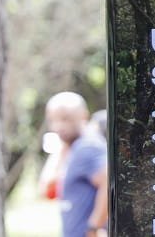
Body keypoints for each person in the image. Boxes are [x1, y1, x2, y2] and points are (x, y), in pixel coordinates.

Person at [38, 92, 108, 237]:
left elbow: (108, 183)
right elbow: (46, 190)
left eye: (65, 119)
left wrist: (94, 227)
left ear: (83, 116)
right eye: (53, 120)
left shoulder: (88, 146)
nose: (59, 126)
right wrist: (59, 150)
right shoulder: (71, 148)